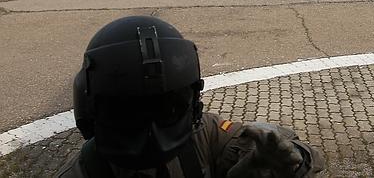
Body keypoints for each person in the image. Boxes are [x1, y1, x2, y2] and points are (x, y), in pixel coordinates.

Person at [57, 15, 324, 177]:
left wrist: (288, 165)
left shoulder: (205, 134)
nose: (152, 134)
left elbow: (302, 154)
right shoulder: (82, 172)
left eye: (167, 108)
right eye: (129, 111)